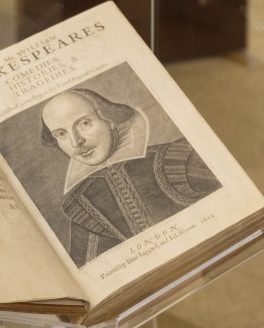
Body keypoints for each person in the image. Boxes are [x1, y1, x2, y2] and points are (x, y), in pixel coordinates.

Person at [39, 86, 219, 266]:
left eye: (85, 123)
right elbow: (95, 274)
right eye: (61, 134)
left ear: (110, 119)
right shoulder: (83, 204)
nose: (75, 141)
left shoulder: (175, 160)